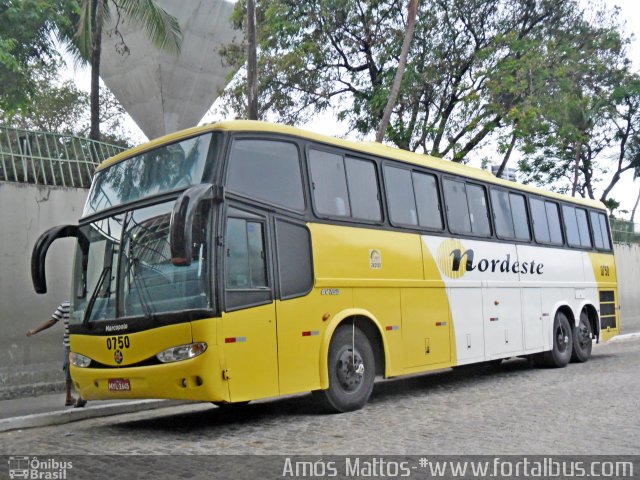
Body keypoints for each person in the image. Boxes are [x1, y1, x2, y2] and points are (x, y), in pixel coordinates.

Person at [26, 301, 87, 408]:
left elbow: (52, 321)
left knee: (69, 367)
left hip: (71, 341)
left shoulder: (66, 305)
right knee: (81, 367)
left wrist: (35, 330)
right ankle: (78, 396)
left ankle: (72, 396)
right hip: (82, 340)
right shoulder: (83, 303)